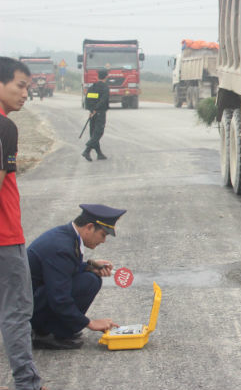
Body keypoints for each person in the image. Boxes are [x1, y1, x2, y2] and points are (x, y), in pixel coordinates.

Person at [1, 58, 48, 390]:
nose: (25, 94)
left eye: (28, 88)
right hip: (5, 237)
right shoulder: (5, 127)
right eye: (20, 85)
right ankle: (27, 383)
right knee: (17, 312)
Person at [27, 204, 124, 349]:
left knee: (91, 277)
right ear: (89, 227)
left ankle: (60, 328)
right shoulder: (61, 247)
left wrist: (89, 267)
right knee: (88, 281)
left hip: (34, 300)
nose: (103, 241)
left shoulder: (67, 236)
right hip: (28, 311)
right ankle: (45, 333)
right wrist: (89, 323)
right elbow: (59, 297)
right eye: (103, 235)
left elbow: (61, 271)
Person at [82, 69, 110, 161]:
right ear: (106, 77)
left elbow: (87, 100)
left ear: (98, 76)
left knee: (93, 133)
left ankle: (99, 154)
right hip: (100, 113)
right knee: (98, 133)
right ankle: (87, 150)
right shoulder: (105, 88)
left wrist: (91, 110)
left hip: (92, 114)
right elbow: (103, 100)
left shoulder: (92, 87)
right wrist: (96, 109)